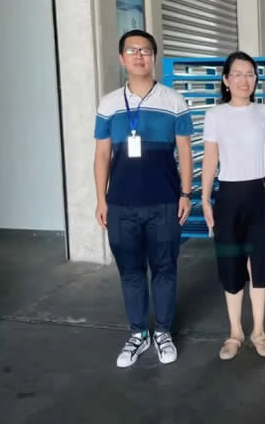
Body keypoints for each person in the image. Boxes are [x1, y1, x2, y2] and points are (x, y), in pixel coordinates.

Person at [93, 29, 193, 368]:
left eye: (146, 50)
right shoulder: (108, 104)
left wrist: (185, 193)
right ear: (122, 58)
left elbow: (184, 150)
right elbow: (102, 154)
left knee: (165, 268)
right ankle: (138, 333)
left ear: (154, 58)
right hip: (121, 204)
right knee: (130, 271)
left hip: (164, 202)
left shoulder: (174, 101)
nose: (139, 56)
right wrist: (101, 199)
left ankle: (162, 331)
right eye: (132, 50)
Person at [201, 51, 265, 360]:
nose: (244, 80)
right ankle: (235, 332)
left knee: (259, 263)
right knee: (231, 263)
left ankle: (258, 331)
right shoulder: (215, 115)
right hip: (229, 197)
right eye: (237, 74)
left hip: (260, 194)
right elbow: (211, 158)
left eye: (249, 74)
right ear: (226, 79)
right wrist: (205, 198)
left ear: (256, 78)